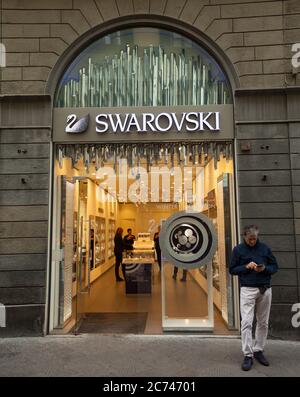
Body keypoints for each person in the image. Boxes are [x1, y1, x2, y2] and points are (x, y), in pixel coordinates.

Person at [229, 225, 278, 371]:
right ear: (244, 236)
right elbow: (232, 269)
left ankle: (258, 350)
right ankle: (248, 354)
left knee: (263, 322)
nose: (252, 242)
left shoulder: (265, 248)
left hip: (265, 288)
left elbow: (275, 266)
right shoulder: (238, 250)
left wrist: (265, 269)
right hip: (247, 289)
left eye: (254, 239)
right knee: (246, 323)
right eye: (250, 239)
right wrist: (245, 266)